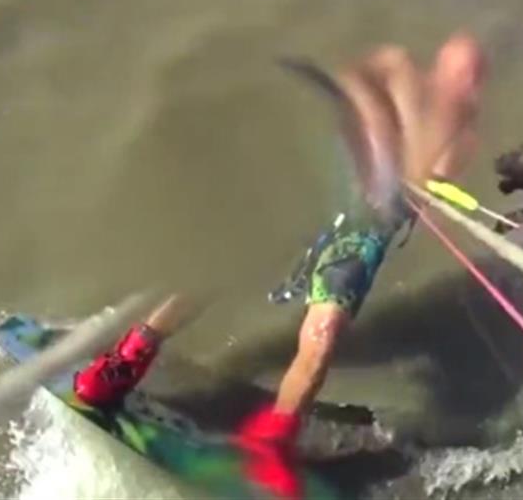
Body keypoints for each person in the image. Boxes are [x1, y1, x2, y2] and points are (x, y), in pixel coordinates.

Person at [72, 32, 485, 499]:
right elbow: (350, 80)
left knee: (324, 333)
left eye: (474, 77)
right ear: (441, 61)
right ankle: (127, 361)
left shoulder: (462, 135)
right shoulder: (399, 65)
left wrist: (418, 179)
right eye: (461, 67)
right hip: (323, 183)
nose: (465, 81)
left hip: (363, 231)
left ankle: (270, 439)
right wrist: (380, 137)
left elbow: (433, 191)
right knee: (224, 263)